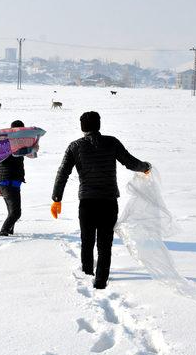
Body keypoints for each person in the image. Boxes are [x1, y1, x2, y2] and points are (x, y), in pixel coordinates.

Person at [51, 111, 151, 289]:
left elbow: (62, 173)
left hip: (87, 202)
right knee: (105, 243)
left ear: (83, 127)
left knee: (87, 239)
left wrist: (56, 198)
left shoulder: (75, 146)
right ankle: (100, 280)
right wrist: (145, 167)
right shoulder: (111, 142)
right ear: (98, 125)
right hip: (108, 201)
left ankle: (87, 272)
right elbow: (129, 162)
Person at [0, 120, 26, 236]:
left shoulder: (2, 144)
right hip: (9, 182)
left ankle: (9, 233)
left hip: (6, 182)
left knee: (12, 212)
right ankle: (3, 233)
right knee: (16, 213)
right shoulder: (14, 144)